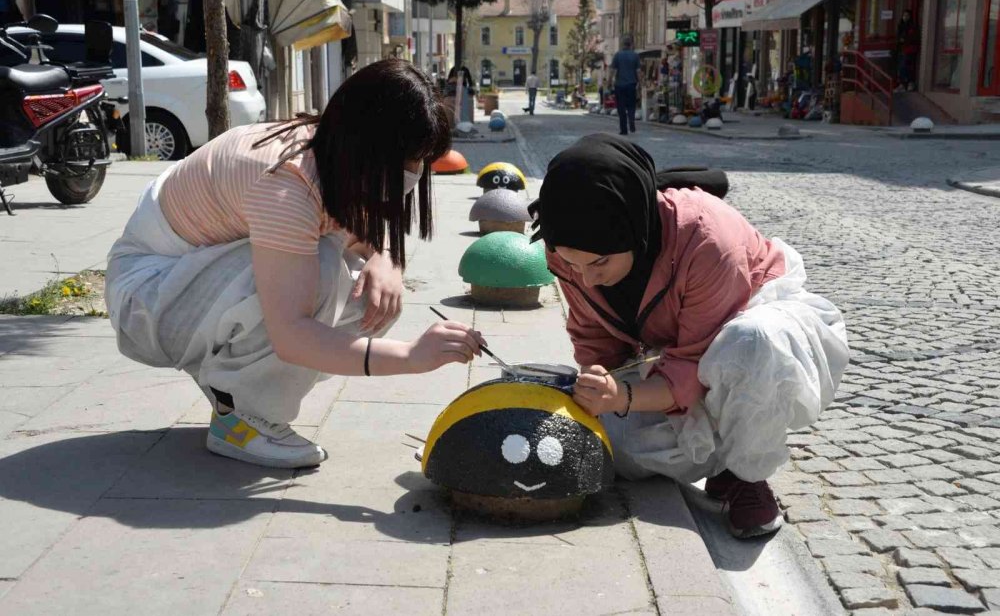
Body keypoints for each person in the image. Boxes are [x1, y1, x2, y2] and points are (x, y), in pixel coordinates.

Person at [105, 59, 485, 470]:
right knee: (322, 270)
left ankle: (231, 383)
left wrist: (385, 259)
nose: (413, 174)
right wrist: (411, 356)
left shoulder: (331, 154)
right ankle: (241, 418)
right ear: (368, 144)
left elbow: (358, 239)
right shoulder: (286, 181)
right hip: (146, 299)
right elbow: (293, 335)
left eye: (420, 163)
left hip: (189, 283)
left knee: (368, 291)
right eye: (407, 161)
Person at [528, 134, 849, 539]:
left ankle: (745, 475)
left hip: (753, 334)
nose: (587, 279)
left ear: (636, 230)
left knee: (751, 344)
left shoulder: (706, 239)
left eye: (600, 263)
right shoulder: (565, 250)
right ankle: (719, 456)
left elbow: (696, 362)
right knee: (614, 449)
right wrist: (598, 387)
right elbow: (595, 339)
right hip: (674, 354)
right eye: (574, 265)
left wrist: (622, 398)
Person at [610, 37, 641, 136]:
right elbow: (638, 71)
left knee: (621, 107)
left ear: (622, 44)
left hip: (620, 85)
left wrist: (610, 81)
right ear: (631, 45)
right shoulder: (635, 56)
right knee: (631, 105)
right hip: (632, 84)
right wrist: (640, 82)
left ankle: (624, 129)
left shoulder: (617, 55)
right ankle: (631, 122)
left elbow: (613, 70)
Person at [896, 10, 920, 92]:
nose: (905, 17)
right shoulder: (900, 26)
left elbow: (913, 38)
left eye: (907, 15)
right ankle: (902, 84)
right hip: (901, 49)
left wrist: (905, 40)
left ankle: (910, 83)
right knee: (901, 67)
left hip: (910, 50)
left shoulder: (912, 27)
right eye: (904, 15)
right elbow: (898, 37)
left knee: (906, 66)